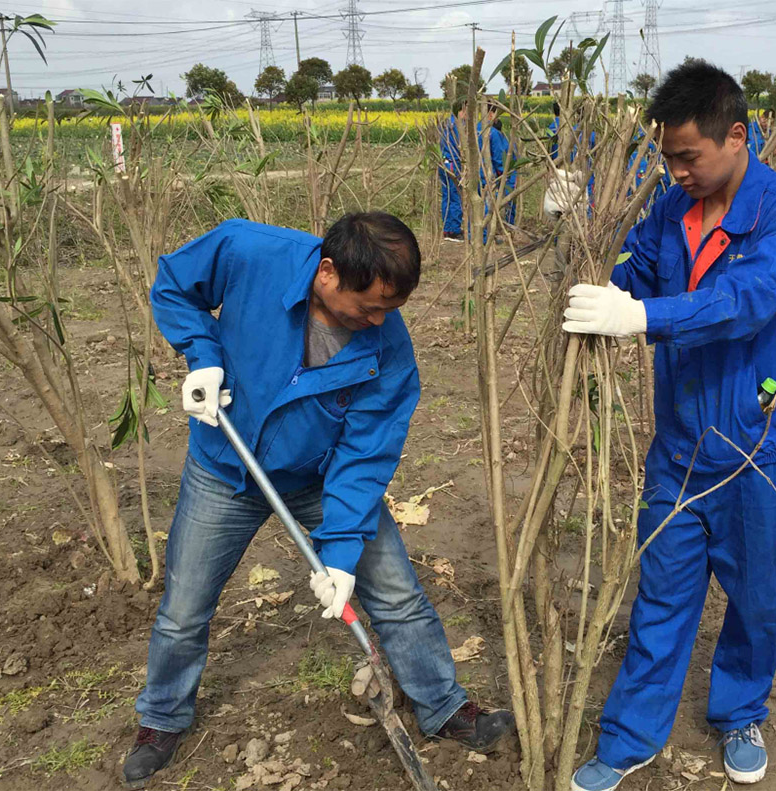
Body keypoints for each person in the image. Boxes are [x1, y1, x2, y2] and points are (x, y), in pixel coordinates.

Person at [123, 213, 515, 788]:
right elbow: (175, 283)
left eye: (391, 307)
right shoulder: (248, 252)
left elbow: (365, 455)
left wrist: (339, 554)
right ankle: (161, 719)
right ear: (328, 273)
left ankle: (443, 706)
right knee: (184, 609)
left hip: (317, 479)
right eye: (370, 305)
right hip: (225, 469)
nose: (379, 320)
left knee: (396, 594)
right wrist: (201, 353)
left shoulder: (388, 351)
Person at [561, 60, 776, 790]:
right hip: (679, 446)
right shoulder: (670, 215)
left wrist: (642, 318)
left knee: (755, 595)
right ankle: (629, 735)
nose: (675, 171)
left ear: (736, 136)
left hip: (761, 447)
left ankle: (739, 710)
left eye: (687, 156)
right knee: (663, 591)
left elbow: (749, 297)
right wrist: (599, 269)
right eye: (666, 157)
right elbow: (633, 265)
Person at [440, 99, 467, 241]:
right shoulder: (458, 125)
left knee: (447, 197)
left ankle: (447, 228)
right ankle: (454, 231)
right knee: (456, 197)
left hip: (443, 162)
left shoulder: (445, 123)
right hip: (453, 164)